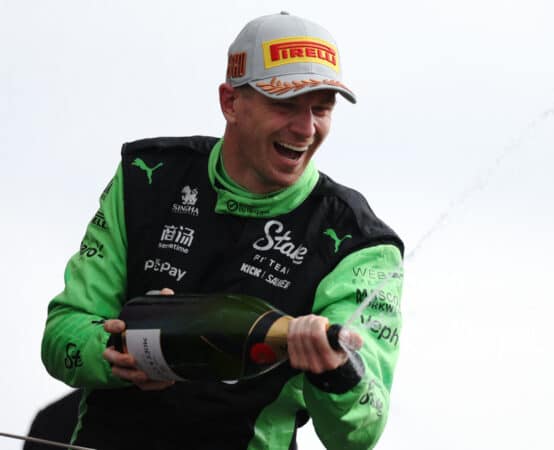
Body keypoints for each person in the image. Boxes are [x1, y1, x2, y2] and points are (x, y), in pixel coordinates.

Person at [40, 12, 403, 450]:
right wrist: (115, 350)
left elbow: (360, 434)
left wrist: (336, 370)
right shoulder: (146, 177)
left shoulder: (358, 242)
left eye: (321, 108)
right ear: (230, 102)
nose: (306, 129)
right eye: (286, 105)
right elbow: (61, 334)